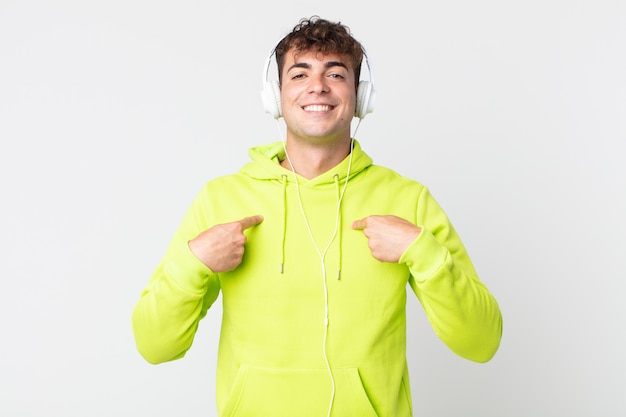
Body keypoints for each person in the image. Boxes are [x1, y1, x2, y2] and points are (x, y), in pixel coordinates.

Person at [132, 16, 502, 417]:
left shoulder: (407, 199)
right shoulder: (221, 199)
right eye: (300, 73)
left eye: (336, 74)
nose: (317, 87)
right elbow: (155, 346)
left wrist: (422, 252)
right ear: (276, 97)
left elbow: (481, 343)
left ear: (360, 97)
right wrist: (195, 262)